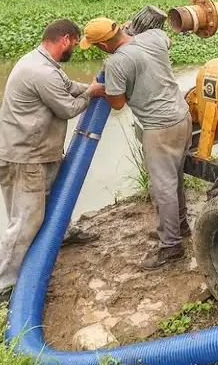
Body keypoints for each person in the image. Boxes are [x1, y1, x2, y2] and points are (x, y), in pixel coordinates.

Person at [0, 19, 106, 304]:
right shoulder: (41, 72)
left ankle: (62, 231)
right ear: (64, 39)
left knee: (53, 197)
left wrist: (86, 87)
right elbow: (67, 108)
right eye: (74, 44)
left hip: (36, 151)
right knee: (25, 220)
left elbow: (67, 85)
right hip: (25, 157)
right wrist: (92, 93)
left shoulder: (41, 63)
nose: (75, 48)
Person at [81, 17, 192, 269]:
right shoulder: (153, 37)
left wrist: (104, 87)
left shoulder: (116, 62)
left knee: (162, 186)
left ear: (103, 46)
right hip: (182, 117)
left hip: (159, 128)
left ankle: (171, 246)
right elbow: (168, 40)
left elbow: (118, 104)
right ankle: (179, 225)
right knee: (174, 177)